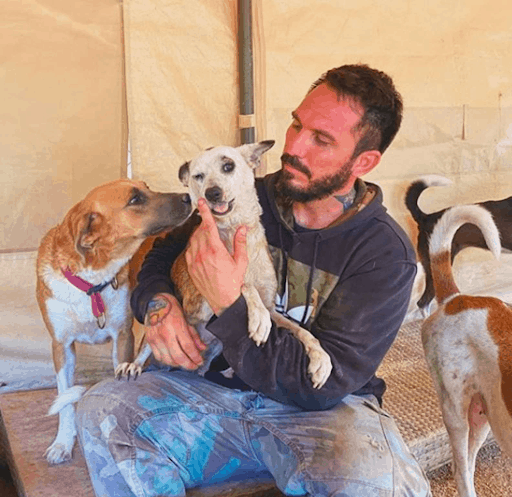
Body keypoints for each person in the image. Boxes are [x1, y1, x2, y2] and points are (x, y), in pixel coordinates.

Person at [76, 63, 431, 496]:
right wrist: (159, 305)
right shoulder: (238, 190)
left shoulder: (385, 255)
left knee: (380, 486)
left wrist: (229, 304)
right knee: (102, 410)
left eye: (321, 139)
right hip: (208, 394)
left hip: (318, 414)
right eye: (297, 124)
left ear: (364, 161)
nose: (294, 145)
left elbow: (320, 386)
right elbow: (162, 255)